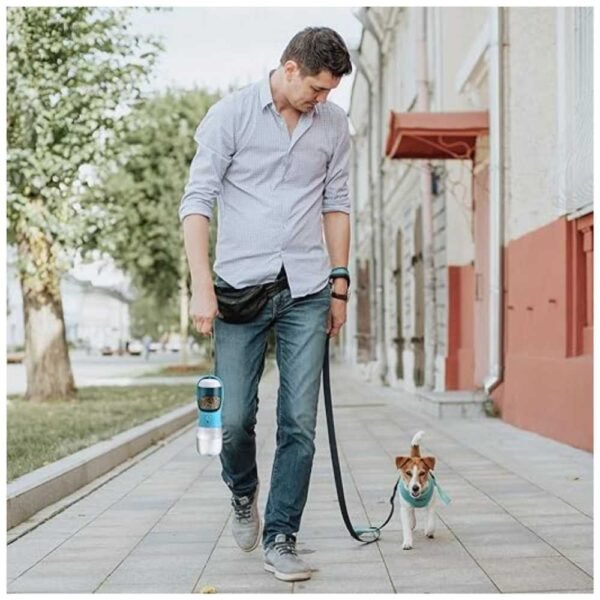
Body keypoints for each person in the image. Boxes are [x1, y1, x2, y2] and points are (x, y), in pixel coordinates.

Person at [179, 27, 352, 582]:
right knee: (232, 420)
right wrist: (201, 285)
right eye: (317, 89)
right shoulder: (229, 116)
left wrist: (340, 285)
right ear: (290, 67)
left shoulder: (334, 126)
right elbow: (198, 202)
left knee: (299, 421)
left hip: (306, 287)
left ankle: (281, 534)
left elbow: (338, 202)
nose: (322, 100)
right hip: (238, 289)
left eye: (330, 92)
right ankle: (242, 491)